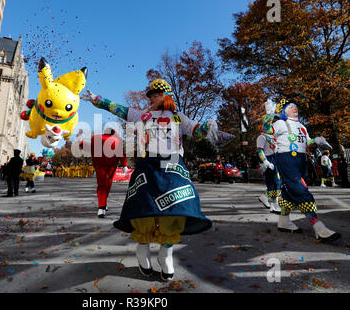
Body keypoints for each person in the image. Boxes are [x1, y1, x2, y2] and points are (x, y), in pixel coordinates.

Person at [81, 79, 233, 281]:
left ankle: (166, 253)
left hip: (173, 166)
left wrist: (210, 127)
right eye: (150, 96)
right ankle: (142, 252)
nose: (151, 99)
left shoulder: (178, 117)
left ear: (165, 96)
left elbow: (197, 130)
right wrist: (97, 99)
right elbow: (119, 109)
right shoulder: (142, 116)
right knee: (143, 210)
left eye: (155, 95)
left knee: (175, 208)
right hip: (148, 166)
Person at [262, 98, 341, 243]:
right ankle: (318, 226)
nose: (295, 108)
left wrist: (317, 141)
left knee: (288, 191)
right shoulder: (280, 123)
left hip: (301, 160)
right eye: (291, 107)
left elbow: (307, 142)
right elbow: (267, 130)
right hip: (287, 159)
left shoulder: (302, 126)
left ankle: (284, 221)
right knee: (300, 190)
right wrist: (269, 115)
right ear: (284, 111)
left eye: (295, 106)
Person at [79, 128, 129, 218]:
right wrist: (124, 165)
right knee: (108, 184)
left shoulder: (95, 138)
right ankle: (103, 204)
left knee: (101, 185)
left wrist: (81, 140)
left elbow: (85, 146)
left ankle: (102, 207)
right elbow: (121, 153)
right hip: (112, 165)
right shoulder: (117, 140)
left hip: (99, 165)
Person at [256, 126, 281, 214]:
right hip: (268, 160)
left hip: (275, 159)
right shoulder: (262, 137)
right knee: (273, 182)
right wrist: (266, 162)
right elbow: (260, 151)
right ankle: (274, 205)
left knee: (277, 182)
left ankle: (265, 197)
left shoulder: (273, 137)